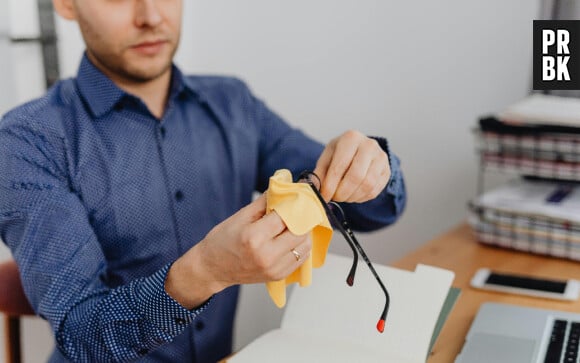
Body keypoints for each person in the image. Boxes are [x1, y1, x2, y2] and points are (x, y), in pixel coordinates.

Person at [0, 0, 406, 362]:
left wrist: (371, 170)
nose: (151, 16)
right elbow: (82, 337)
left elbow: (371, 212)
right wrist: (206, 271)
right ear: (66, 5)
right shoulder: (26, 141)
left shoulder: (233, 103)